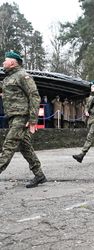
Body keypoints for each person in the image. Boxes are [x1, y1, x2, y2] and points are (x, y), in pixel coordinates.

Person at [0, 51, 47, 188]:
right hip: (13, 117)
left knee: (9, 145)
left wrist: (33, 119)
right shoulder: (9, 78)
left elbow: (34, 96)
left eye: (5, 60)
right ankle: (39, 175)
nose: (3, 63)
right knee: (24, 146)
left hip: (21, 117)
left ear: (13, 62)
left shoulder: (22, 75)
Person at [72, 80, 94, 164]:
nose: (92, 87)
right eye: (91, 86)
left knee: (90, 137)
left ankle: (81, 155)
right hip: (90, 119)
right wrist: (86, 111)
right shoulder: (90, 98)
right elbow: (86, 107)